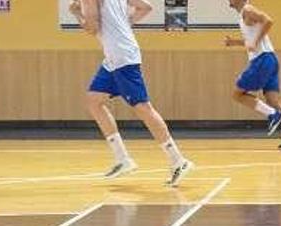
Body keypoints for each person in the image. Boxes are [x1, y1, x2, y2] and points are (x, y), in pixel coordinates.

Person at [72, 0, 193, 186]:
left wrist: (77, 13)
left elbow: (92, 28)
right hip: (116, 55)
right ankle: (122, 159)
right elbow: (146, 7)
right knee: (94, 100)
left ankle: (178, 161)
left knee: (143, 108)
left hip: (121, 56)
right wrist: (122, 25)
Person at [223, 0, 281, 149]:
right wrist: (235, 42)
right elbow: (251, 41)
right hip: (271, 59)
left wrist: (255, 41)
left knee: (237, 94)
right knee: (273, 100)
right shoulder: (244, 14)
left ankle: (272, 114)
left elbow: (268, 20)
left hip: (262, 60)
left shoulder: (247, 10)